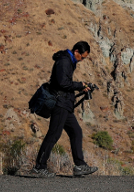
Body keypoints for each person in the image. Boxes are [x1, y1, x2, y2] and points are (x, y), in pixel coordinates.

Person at [31, 41, 98, 177]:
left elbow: (65, 83)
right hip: (60, 104)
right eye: (82, 57)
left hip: (65, 104)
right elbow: (62, 83)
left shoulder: (68, 60)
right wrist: (80, 85)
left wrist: (81, 87)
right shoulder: (64, 61)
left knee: (76, 132)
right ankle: (39, 167)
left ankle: (80, 166)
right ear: (76, 52)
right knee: (53, 135)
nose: (82, 60)